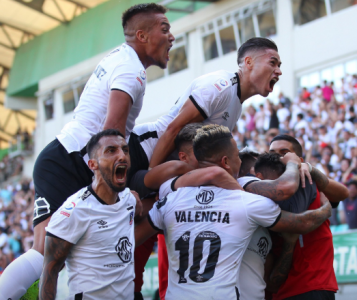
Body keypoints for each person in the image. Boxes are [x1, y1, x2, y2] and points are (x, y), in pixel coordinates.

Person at [0, 3, 175, 299]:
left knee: (44, 249)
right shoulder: (131, 71)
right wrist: (120, 193)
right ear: (142, 36)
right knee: (45, 250)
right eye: (164, 28)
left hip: (61, 157)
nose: (171, 37)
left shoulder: (121, 58)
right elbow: (110, 134)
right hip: (69, 162)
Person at [135, 125, 331, 300]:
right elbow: (302, 221)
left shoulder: (169, 198)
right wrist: (325, 209)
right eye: (237, 156)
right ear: (226, 162)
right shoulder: (247, 201)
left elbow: (131, 240)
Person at [127, 37, 282, 195]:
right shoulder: (220, 87)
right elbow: (173, 129)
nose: (279, 71)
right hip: (142, 150)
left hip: (165, 165)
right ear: (248, 62)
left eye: (279, 65)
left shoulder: (236, 105)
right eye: (273, 63)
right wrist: (150, 178)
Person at [39, 129, 140, 299]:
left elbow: (136, 209)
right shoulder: (74, 211)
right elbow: (50, 271)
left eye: (125, 150)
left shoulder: (129, 199)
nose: (122, 156)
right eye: (111, 150)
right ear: (92, 164)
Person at [268, 134, 349, 300]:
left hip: (315, 286)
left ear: (298, 159)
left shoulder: (311, 183)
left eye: (284, 152)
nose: (278, 157)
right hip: (279, 293)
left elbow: (343, 193)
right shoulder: (260, 192)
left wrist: (310, 169)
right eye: (272, 152)